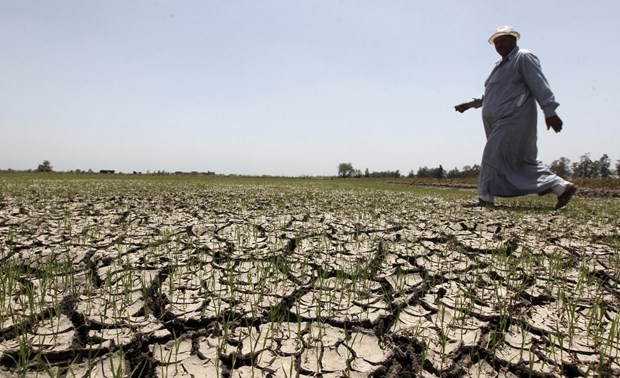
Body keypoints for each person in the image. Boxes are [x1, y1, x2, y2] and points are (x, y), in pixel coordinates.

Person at [454, 25, 577, 209]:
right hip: (498, 122)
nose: (499, 45)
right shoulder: (499, 66)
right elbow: (490, 95)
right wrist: (470, 104)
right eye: (496, 42)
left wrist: (549, 111)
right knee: (520, 162)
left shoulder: (523, 57)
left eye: (503, 40)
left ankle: (485, 198)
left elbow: (539, 84)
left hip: (513, 118)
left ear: (514, 40)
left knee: (492, 154)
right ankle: (560, 187)